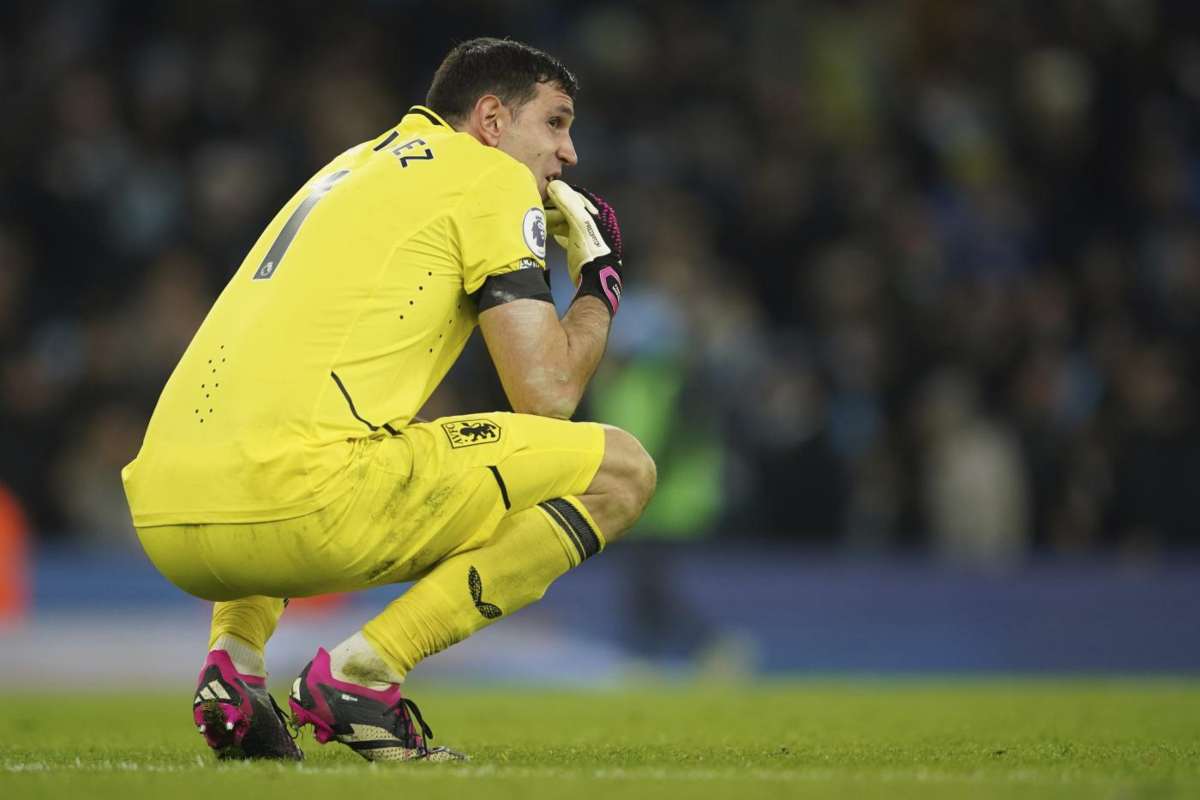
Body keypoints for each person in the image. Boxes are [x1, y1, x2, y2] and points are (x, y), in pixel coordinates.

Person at [121, 37, 655, 763]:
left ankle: (236, 666)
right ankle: (364, 674)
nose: (571, 154)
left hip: (165, 518)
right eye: (556, 123)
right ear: (492, 120)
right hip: (297, 508)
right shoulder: (485, 176)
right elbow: (547, 394)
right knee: (622, 470)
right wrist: (598, 282)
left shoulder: (347, 167)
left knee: (317, 424)